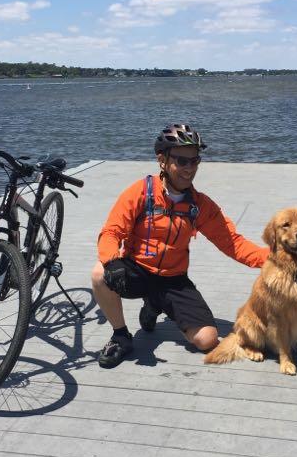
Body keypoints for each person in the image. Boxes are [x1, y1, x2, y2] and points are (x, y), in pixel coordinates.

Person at [91, 123, 270, 368]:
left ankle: (153, 305)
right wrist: (112, 260)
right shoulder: (140, 192)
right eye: (182, 161)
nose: (190, 169)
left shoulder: (200, 205)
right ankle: (120, 336)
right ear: (162, 160)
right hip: (137, 270)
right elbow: (111, 231)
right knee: (100, 274)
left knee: (207, 340)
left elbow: (233, 244)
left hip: (173, 279)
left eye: (194, 161)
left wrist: (275, 258)